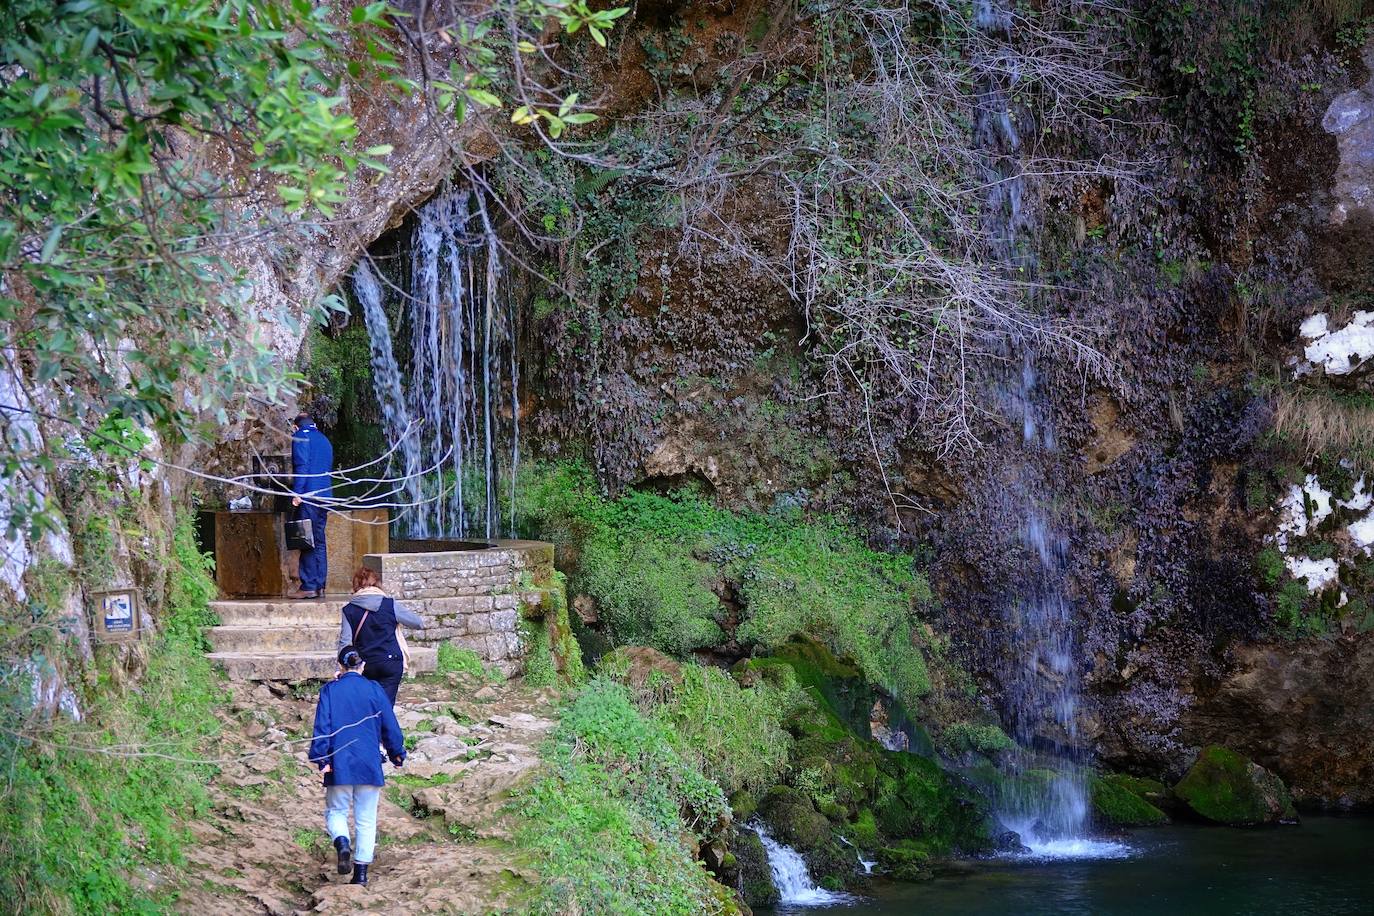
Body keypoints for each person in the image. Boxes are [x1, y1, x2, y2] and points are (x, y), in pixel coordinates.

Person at [308, 646, 406, 887]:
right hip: (368, 761)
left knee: (336, 811)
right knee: (366, 818)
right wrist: (397, 753)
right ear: (363, 666)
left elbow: (323, 726)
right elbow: (389, 725)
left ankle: (342, 843)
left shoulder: (330, 690)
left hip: (339, 760)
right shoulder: (374, 689)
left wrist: (322, 758)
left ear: (340, 666)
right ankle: (360, 875)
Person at [339, 566, 426, 706]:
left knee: (366, 707)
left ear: (356, 587)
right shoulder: (389, 604)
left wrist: (343, 669)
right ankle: (385, 725)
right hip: (390, 661)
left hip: (364, 665)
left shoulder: (348, 609)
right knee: (385, 707)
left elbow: (345, 643)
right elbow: (418, 623)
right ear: (377, 584)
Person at [289, 412, 333, 599]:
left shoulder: (301, 436)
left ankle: (308, 586)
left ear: (296, 426)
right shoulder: (324, 439)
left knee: (306, 539)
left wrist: (298, 493)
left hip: (308, 495)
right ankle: (320, 584)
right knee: (319, 540)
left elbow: (302, 466)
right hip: (325, 496)